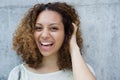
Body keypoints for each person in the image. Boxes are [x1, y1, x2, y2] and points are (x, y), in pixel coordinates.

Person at [8, 2, 96, 80]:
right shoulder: (18, 74)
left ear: (67, 33)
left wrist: (73, 46)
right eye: (38, 28)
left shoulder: (82, 70)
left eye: (54, 28)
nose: (45, 35)